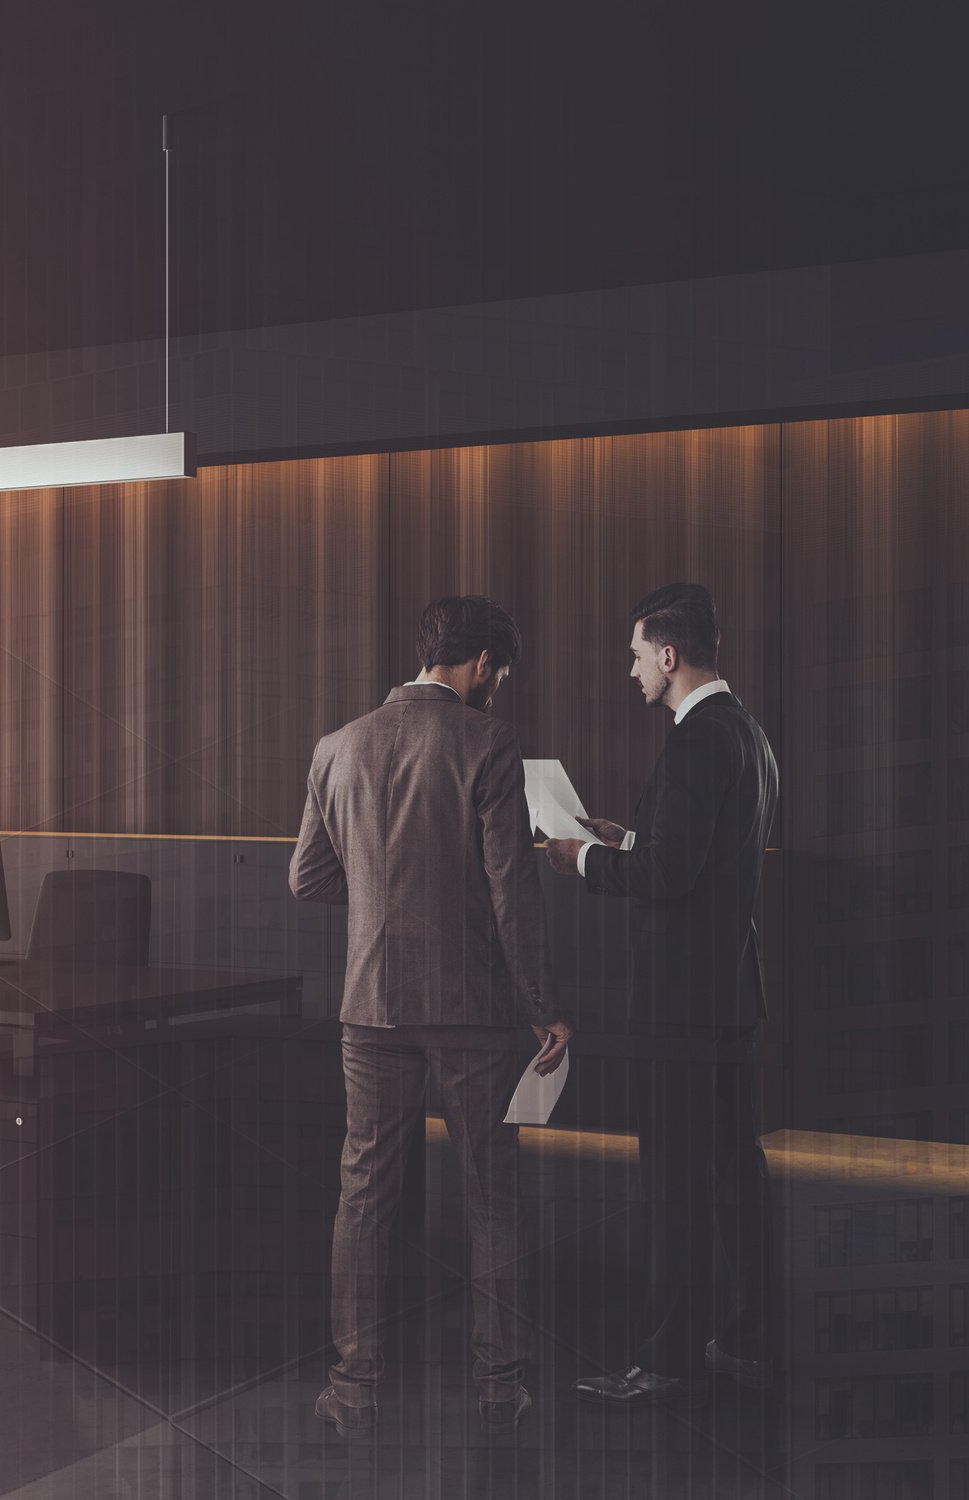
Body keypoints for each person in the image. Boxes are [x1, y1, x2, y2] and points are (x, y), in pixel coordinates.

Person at [293, 595, 570, 1437]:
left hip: (369, 1005)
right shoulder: (488, 744)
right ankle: (497, 1388)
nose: (500, 687)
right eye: (502, 673)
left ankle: (354, 1391)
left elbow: (307, 879)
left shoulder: (336, 746)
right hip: (474, 1011)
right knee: (492, 1196)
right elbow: (510, 892)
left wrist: (384, 895)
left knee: (364, 1195)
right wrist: (544, 1007)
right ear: (482, 664)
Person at [544, 582, 778, 1405]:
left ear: (669, 656)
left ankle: (667, 1359)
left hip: (680, 1005)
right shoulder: (746, 734)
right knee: (733, 1173)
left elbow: (670, 877)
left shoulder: (692, 741)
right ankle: (747, 1340)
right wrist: (628, 836)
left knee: (674, 1183)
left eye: (639, 654)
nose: (633, 668)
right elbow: (699, 858)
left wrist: (582, 861)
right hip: (730, 997)